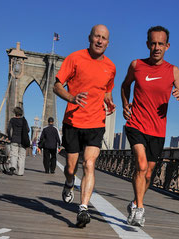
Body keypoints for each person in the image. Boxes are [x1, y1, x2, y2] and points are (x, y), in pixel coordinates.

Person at [121, 25, 179, 227]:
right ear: (147, 44)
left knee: (149, 173)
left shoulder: (173, 71)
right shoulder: (136, 65)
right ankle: (140, 210)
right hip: (136, 124)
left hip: (158, 130)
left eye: (161, 43)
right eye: (153, 43)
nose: (156, 47)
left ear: (167, 46)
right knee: (141, 166)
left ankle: (135, 201)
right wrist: (126, 104)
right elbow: (125, 85)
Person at [53, 24, 116, 227]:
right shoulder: (74, 58)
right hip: (73, 121)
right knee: (71, 168)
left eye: (104, 38)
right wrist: (71, 97)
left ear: (108, 42)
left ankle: (83, 208)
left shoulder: (111, 67)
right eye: (96, 36)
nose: (99, 41)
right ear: (89, 38)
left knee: (89, 164)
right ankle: (69, 182)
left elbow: (106, 90)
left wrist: (109, 101)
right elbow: (56, 86)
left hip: (96, 122)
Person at [7, 106, 30, 176]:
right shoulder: (24, 120)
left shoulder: (12, 120)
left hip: (14, 140)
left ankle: (12, 167)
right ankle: (20, 172)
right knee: (21, 156)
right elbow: (28, 130)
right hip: (23, 141)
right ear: (21, 113)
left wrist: (10, 137)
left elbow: (8, 130)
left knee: (13, 154)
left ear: (15, 113)